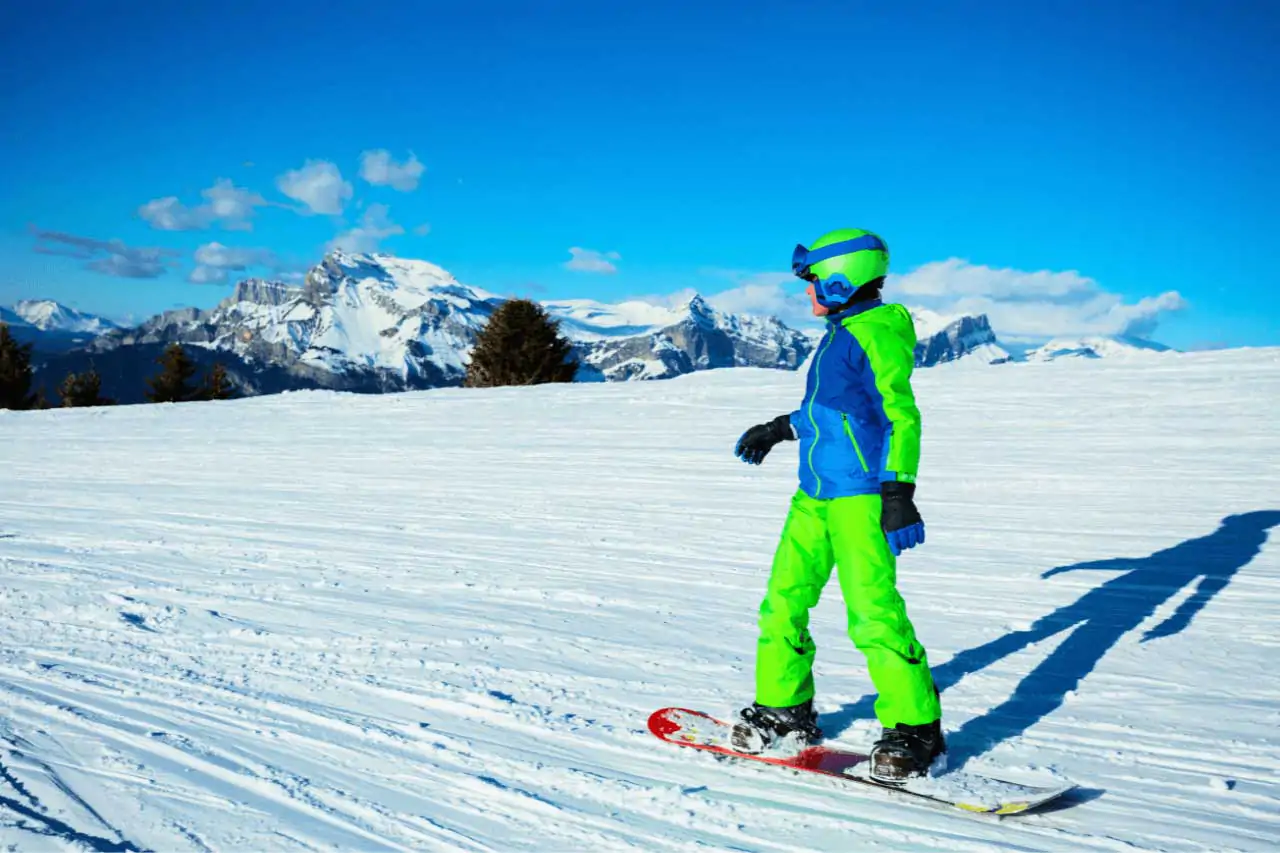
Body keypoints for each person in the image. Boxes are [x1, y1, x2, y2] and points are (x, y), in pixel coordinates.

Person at [730, 228, 944, 782]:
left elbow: (900, 416)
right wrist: (780, 427)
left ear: (844, 276)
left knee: (872, 614)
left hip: (860, 497)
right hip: (814, 496)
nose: (807, 293)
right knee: (781, 603)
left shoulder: (875, 332)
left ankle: (916, 728)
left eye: (814, 282)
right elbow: (832, 412)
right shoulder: (838, 332)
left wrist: (898, 492)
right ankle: (785, 708)